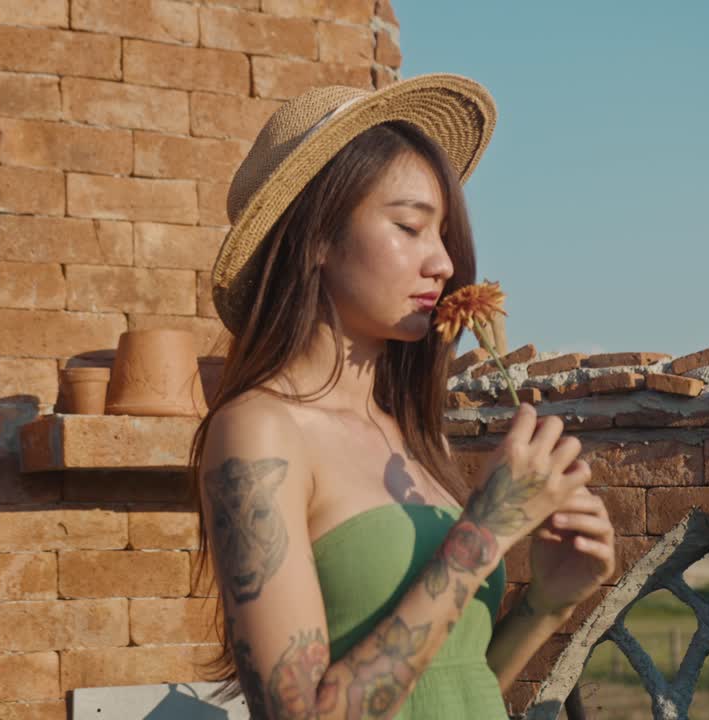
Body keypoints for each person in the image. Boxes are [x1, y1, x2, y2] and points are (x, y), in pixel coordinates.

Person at [187, 74, 617, 719]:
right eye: (411, 226)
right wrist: (486, 532)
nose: (443, 263)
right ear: (317, 239)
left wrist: (546, 604)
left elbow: (450, 686)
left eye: (442, 233)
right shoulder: (261, 431)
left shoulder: (414, 434)